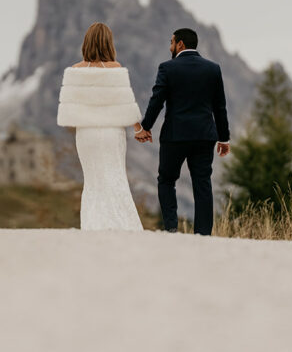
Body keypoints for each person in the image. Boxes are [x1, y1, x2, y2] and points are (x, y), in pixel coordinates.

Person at [135, 28, 230, 235]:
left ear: (180, 44)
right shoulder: (213, 69)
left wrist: (146, 127)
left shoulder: (167, 68)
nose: (170, 46)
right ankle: (203, 233)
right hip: (205, 136)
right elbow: (220, 107)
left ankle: (171, 228)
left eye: (171, 42)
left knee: (167, 180)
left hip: (174, 136)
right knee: (202, 183)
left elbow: (157, 101)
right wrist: (224, 138)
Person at [56, 22, 145, 231]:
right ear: (109, 43)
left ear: (86, 43)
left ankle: (93, 226)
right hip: (112, 133)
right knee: (115, 175)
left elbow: (70, 107)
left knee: (93, 180)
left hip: (86, 135)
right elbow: (125, 102)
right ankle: (124, 226)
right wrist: (139, 129)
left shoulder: (74, 71)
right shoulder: (116, 68)